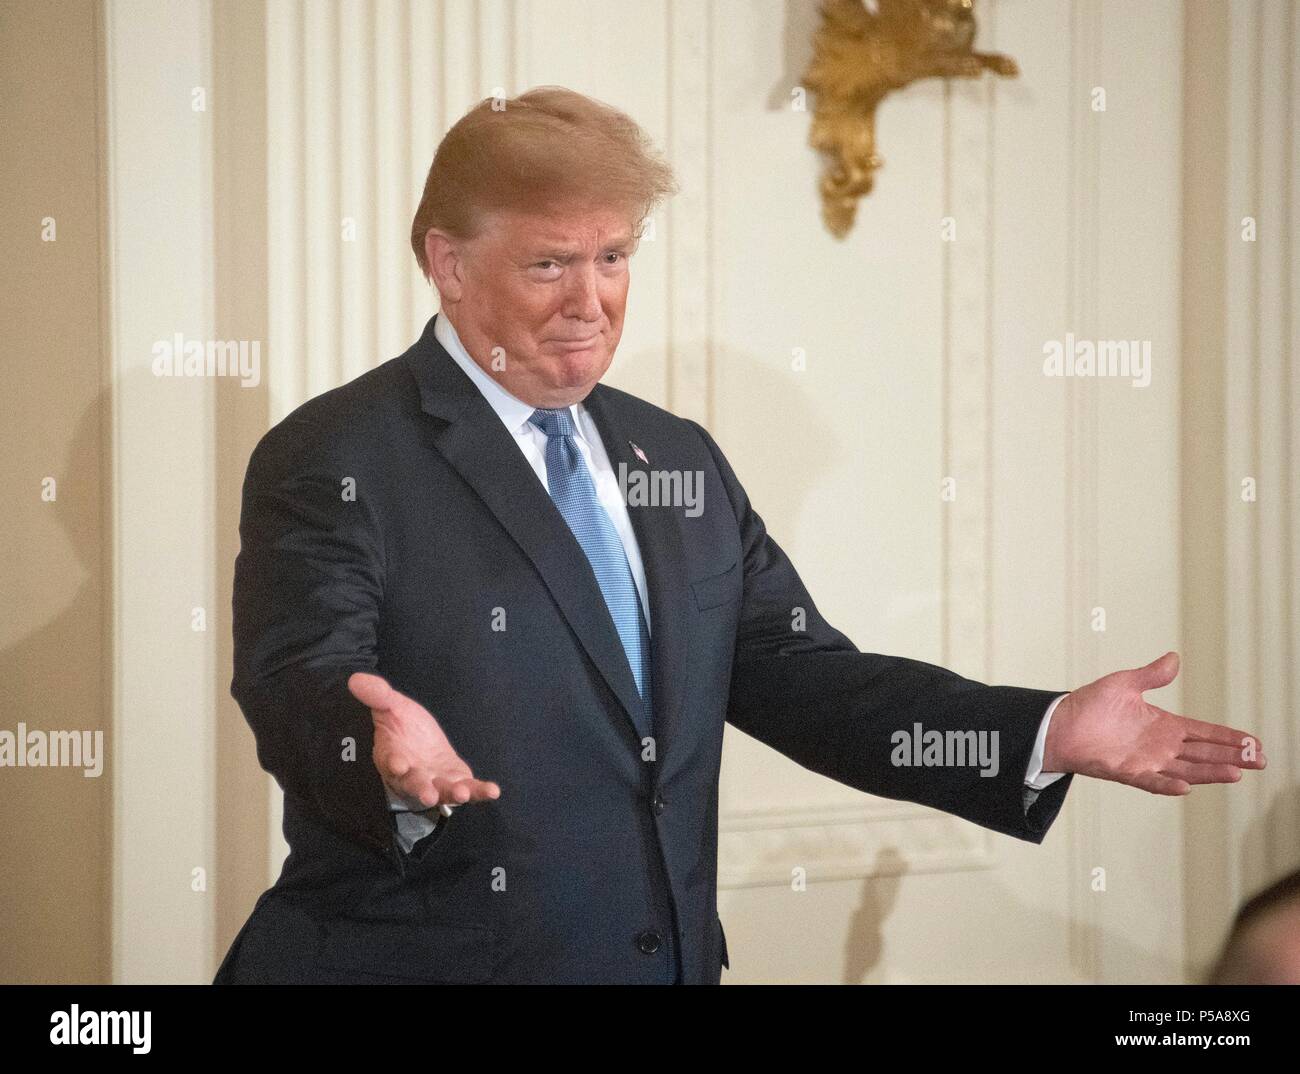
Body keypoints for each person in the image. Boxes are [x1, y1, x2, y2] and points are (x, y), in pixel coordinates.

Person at [214, 86, 1266, 985]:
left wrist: (1036, 734)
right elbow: (299, 678)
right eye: (548, 264)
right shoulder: (338, 453)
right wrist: (378, 750)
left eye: (613, 255)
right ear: (448, 263)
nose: (592, 301)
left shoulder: (673, 459)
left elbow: (799, 677)